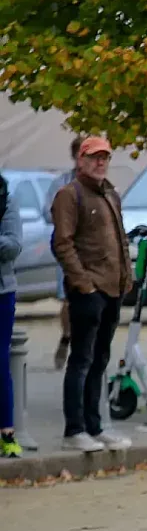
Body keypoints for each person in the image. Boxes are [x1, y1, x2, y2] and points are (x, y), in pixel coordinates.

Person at [50, 136, 133, 452]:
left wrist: (128, 276)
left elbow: (121, 239)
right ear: (80, 160)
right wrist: (84, 283)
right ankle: (75, 429)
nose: (100, 163)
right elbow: (62, 243)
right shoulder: (69, 195)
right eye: (94, 157)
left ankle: (95, 425)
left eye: (105, 157)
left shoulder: (110, 193)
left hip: (113, 289)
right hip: (88, 292)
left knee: (100, 359)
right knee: (82, 359)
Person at [46, 136, 83, 370]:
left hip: (92, 252)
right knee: (69, 300)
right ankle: (66, 337)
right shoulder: (62, 183)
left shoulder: (102, 185)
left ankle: (82, 343)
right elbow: (47, 211)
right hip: (68, 248)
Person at [0, 174, 23, 457]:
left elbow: (13, 245)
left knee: (0, 361)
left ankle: (7, 432)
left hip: (2, 294)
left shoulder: (5, 198)